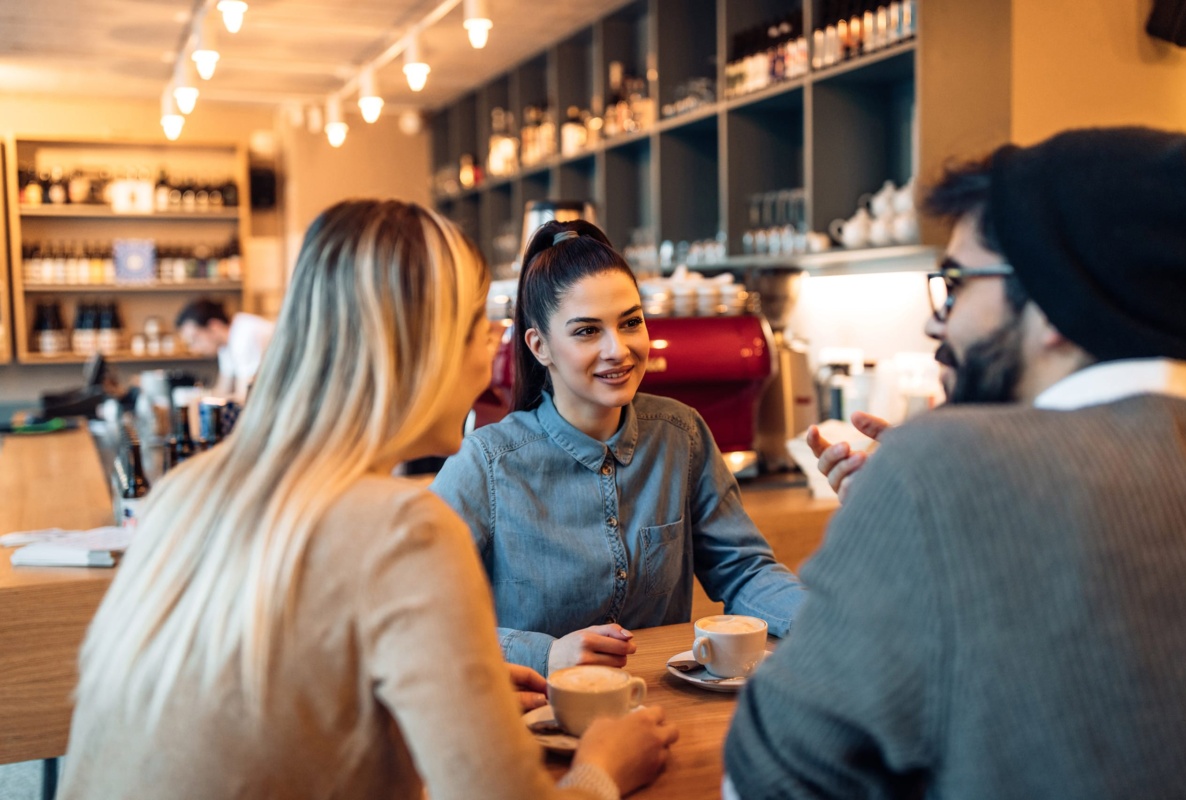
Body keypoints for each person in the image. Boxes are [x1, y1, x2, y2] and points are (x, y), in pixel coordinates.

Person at [60, 200, 677, 800]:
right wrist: (603, 766)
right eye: (474, 325)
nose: (495, 344)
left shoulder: (190, 492)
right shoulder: (404, 530)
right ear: (417, 349)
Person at [723, 127, 1186, 799]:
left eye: (955, 282)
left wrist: (916, 500)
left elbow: (766, 779)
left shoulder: (941, 470)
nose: (935, 323)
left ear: (1056, 298)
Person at [431, 220, 805, 676]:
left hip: (662, 705)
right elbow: (421, 616)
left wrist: (826, 621)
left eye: (631, 322)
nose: (619, 350)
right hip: (538, 714)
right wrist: (543, 654)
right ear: (539, 346)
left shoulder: (681, 434)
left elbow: (745, 572)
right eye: (587, 331)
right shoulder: (486, 463)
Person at [176, 298, 275, 402]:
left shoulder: (243, 335)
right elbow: (222, 391)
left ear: (214, 326)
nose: (194, 349)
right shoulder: (226, 343)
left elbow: (244, 397)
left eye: (195, 339)